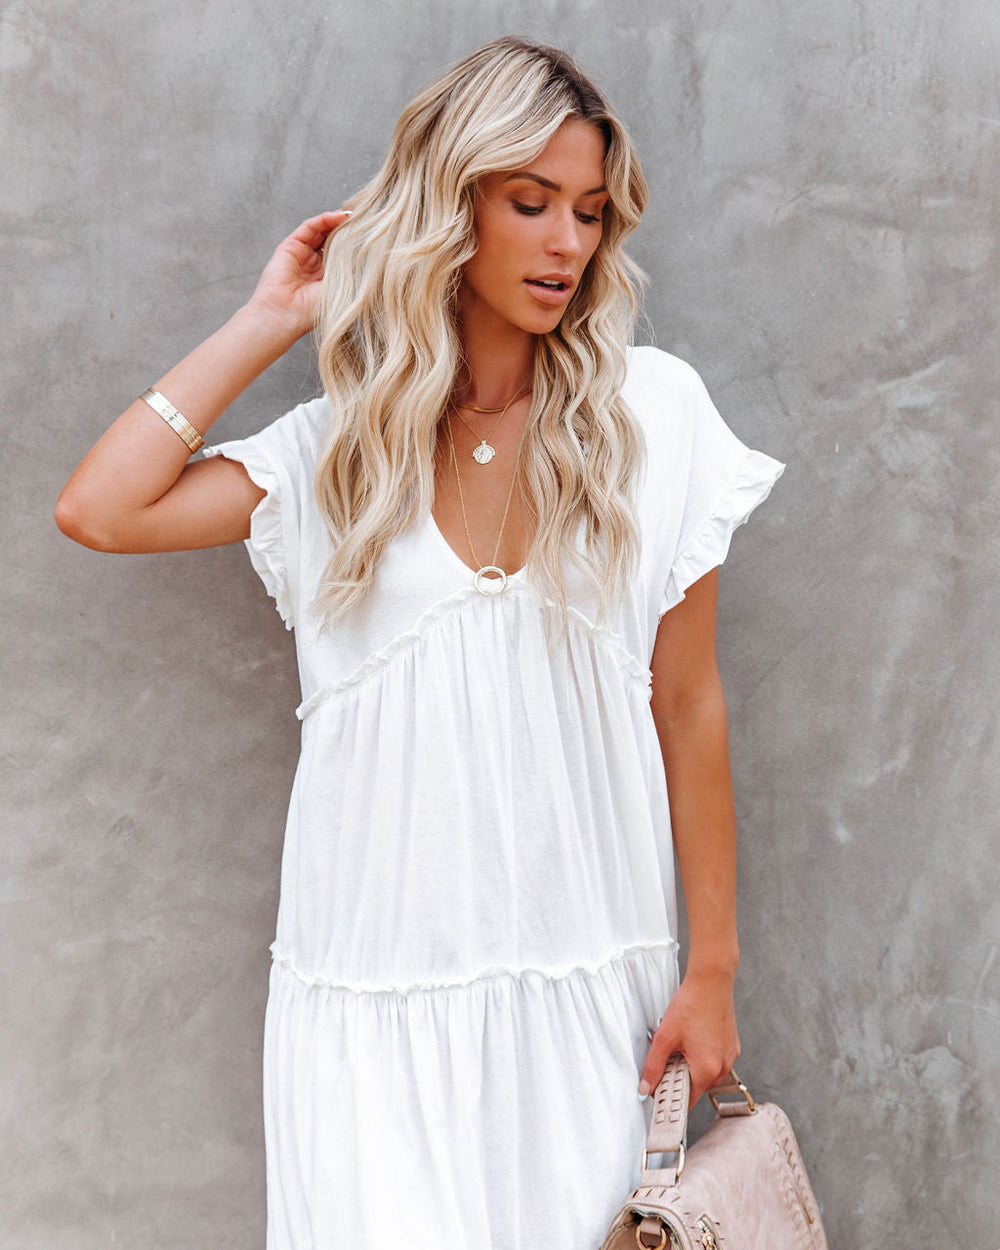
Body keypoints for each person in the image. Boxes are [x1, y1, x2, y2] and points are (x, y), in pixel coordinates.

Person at [56, 36, 783, 1250]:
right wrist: (270, 317)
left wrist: (711, 968)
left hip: (587, 994)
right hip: (365, 1005)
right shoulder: (337, 455)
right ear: (454, 205)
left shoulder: (651, 418)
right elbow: (100, 507)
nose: (565, 242)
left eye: (588, 212)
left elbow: (689, 703)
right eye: (530, 201)